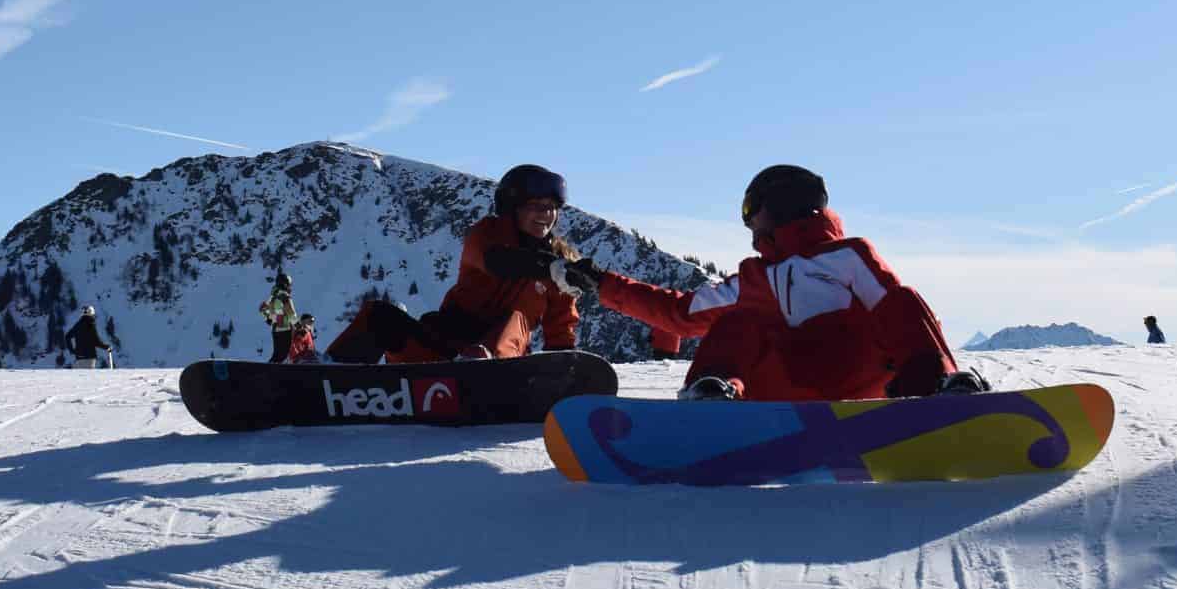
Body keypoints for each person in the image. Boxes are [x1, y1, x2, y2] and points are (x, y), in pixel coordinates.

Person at [562, 165, 975, 404]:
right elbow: (679, 313)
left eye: (749, 211)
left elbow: (898, 314)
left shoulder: (848, 255)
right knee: (737, 324)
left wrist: (920, 357)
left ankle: (935, 393)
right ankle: (712, 401)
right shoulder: (753, 278)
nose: (747, 223)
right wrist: (603, 283)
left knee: (902, 300)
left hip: (858, 378)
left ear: (776, 206)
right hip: (785, 388)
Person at [326, 164, 585, 364]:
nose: (546, 215)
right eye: (536, 206)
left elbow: (560, 325)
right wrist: (549, 267)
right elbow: (498, 262)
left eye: (552, 207)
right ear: (512, 208)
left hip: (501, 360)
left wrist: (563, 368)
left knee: (515, 318)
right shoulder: (486, 235)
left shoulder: (561, 266)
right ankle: (327, 379)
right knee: (378, 314)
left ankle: (483, 368)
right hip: (443, 344)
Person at [261, 270, 298, 363]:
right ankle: (276, 373)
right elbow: (290, 312)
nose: (290, 287)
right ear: (285, 284)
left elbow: (263, 309)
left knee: (277, 354)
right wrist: (297, 324)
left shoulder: (273, 297)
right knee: (285, 354)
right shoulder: (284, 296)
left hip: (275, 329)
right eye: (289, 284)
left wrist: (268, 319)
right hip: (286, 329)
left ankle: (269, 368)